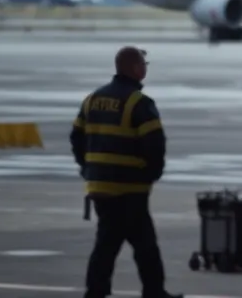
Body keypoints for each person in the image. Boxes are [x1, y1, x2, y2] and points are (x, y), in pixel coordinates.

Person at [70, 46, 181, 298]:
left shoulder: (93, 99)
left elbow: (76, 136)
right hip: (130, 189)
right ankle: (154, 292)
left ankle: (96, 291)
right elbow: (154, 144)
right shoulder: (138, 103)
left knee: (106, 244)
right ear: (134, 68)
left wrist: (88, 168)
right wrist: (151, 174)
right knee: (145, 246)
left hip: (100, 187)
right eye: (143, 63)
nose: (145, 68)